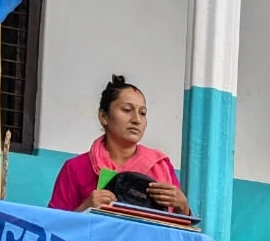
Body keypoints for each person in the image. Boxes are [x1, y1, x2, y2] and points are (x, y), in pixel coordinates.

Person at [48, 75, 189, 214]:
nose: (137, 120)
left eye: (142, 113)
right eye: (127, 110)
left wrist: (182, 207)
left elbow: (181, 227)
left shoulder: (161, 165)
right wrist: (85, 209)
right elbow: (52, 224)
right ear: (104, 116)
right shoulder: (76, 168)